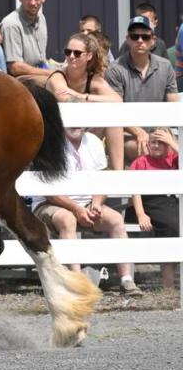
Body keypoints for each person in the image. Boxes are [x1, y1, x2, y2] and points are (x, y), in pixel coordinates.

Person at [30, 127, 142, 296]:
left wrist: (96, 204)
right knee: (68, 219)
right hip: (49, 204)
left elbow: (102, 179)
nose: (76, 125)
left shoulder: (94, 141)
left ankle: (127, 280)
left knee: (116, 220)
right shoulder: (50, 143)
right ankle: (76, 283)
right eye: (71, 121)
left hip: (87, 203)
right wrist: (76, 209)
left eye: (80, 121)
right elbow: (48, 192)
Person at [105, 15, 179, 166]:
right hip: (128, 134)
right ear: (128, 39)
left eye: (145, 37)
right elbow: (115, 112)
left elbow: (174, 108)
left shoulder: (165, 66)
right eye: (135, 36)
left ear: (153, 40)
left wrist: (164, 135)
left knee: (170, 150)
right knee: (150, 151)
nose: (140, 40)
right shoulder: (115, 69)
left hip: (160, 131)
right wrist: (138, 131)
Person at [44, 32, 124, 168]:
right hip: (58, 134)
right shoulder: (57, 77)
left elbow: (117, 101)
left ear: (89, 56)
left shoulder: (93, 79)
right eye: (68, 52)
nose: (71, 56)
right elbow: (67, 101)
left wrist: (82, 95)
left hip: (82, 131)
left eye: (77, 53)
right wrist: (96, 101)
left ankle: (118, 174)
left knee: (113, 115)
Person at [126, 128, 179, 291]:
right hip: (148, 202)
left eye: (161, 142)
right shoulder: (141, 162)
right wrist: (141, 214)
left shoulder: (175, 158)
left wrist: (173, 143)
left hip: (171, 201)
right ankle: (168, 285)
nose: (156, 146)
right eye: (153, 142)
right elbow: (135, 192)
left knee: (173, 225)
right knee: (172, 226)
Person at [0, 0, 54, 80]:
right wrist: (50, 73)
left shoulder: (41, 18)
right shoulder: (11, 24)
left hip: (40, 71)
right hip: (21, 80)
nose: (33, 3)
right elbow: (15, 68)